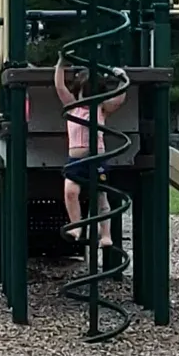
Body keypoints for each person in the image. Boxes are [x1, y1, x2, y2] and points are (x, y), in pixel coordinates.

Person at [55, 53, 127, 249]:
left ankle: (106, 235)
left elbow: (119, 99)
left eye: (91, 94)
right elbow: (60, 86)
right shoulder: (72, 107)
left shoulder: (100, 109)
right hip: (76, 160)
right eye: (84, 94)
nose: (87, 99)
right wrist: (61, 64)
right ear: (77, 92)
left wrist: (122, 79)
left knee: (101, 196)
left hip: (97, 159)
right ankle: (77, 226)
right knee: (70, 192)